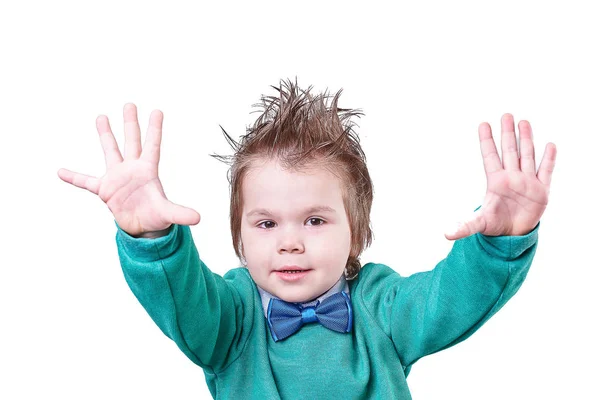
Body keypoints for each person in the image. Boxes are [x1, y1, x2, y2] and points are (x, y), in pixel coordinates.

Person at [57, 80, 557, 399]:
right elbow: (181, 296)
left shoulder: (382, 305)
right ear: (239, 240)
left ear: (356, 232)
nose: (289, 243)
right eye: (266, 223)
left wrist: (497, 245)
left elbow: (448, 300)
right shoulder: (230, 317)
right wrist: (152, 238)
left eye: (315, 221)